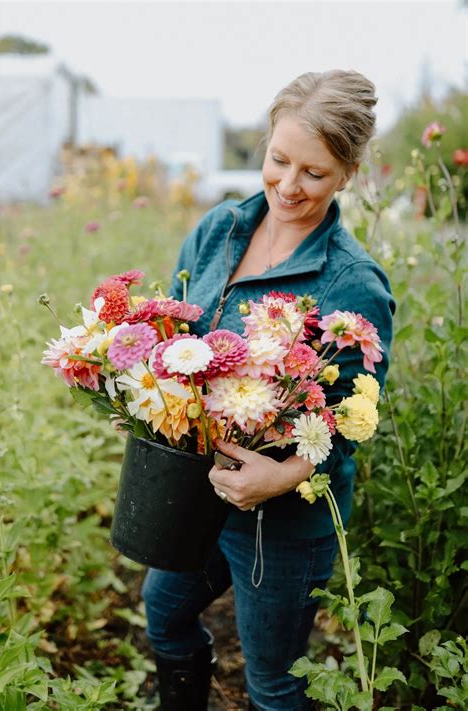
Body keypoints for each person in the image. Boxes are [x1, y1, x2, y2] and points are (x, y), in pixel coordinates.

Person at [141, 70, 395, 711]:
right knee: (164, 614)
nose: (288, 185)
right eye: (278, 160)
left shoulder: (352, 282)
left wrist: (279, 478)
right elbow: (176, 329)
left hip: (280, 520)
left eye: (313, 172)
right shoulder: (219, 230)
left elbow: (352, 415)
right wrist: (151, 398)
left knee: (275, 683)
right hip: (196, 485)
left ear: (348, 173)